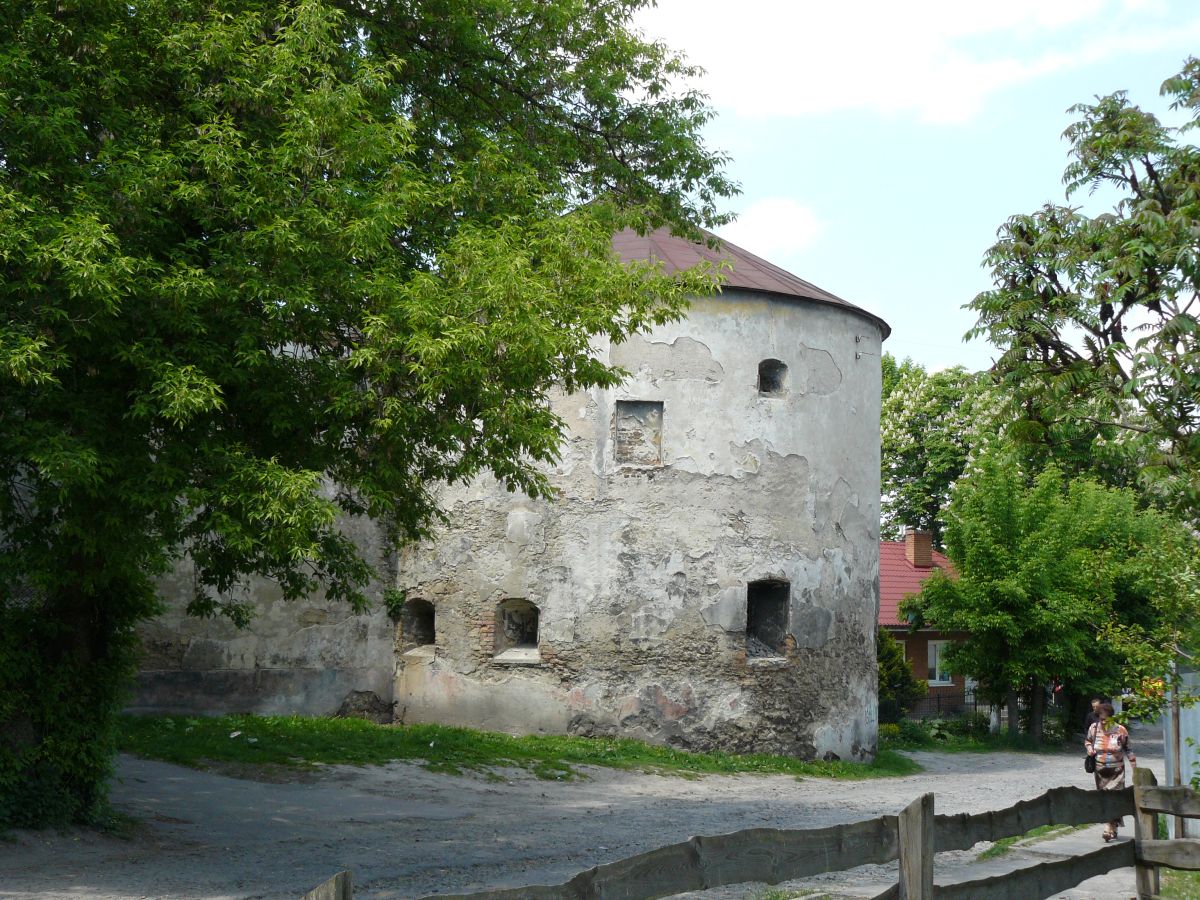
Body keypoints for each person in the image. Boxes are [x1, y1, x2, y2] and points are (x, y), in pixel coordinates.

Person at [1084, 702, 1137, 841]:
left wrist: (1135, 769)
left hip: (1117, 771)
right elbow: (1088, 741)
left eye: (1106, 719)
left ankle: (1108, 827)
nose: (1103, 722)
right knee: (1105, 799)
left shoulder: (1121, 730)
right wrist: (1089, 749)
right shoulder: (1094, 728)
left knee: (1114, 799)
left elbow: (1129, 750)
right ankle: (1113, 827)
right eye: (1101, 719)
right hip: (1100, 771)